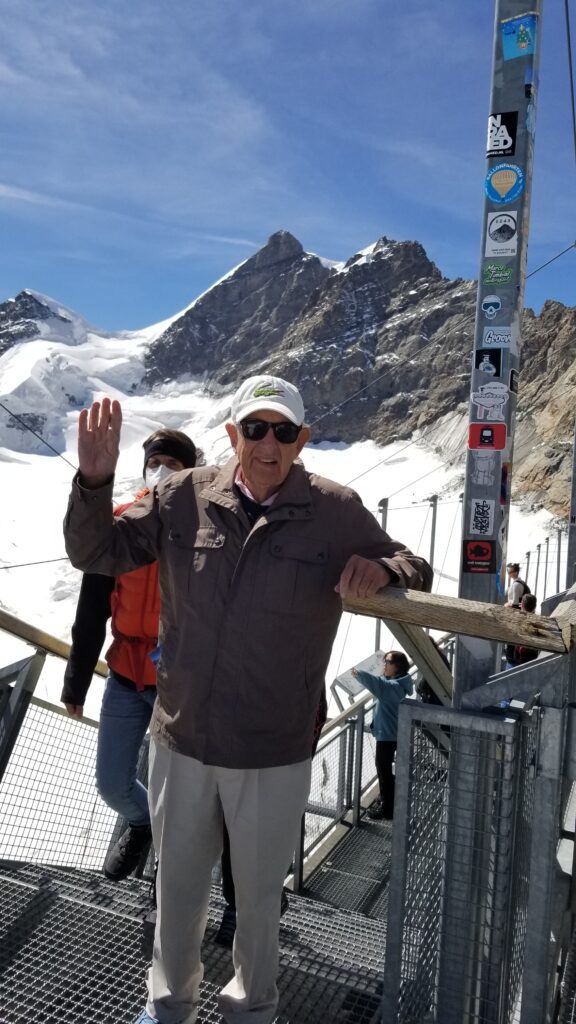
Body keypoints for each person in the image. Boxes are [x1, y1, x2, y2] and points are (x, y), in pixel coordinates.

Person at [63, 375, 432, 1024]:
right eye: (255, 429)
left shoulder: (336, 508)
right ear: (232, 436)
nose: (269, 443)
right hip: (182, 741)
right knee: (176, 892)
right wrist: (94, 483)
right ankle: (168, 1007)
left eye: (283, 431)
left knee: (258, 903)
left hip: (272, 751)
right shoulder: (180, 495)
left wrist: (386, 571)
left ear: (302, 440)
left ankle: (251, 1011)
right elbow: (99, 551)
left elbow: (411, 563)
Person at [61, 428, 198, 881]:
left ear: (190, 471)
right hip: (123, 676)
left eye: (172, 464)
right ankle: (143, 824)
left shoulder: (202, 532)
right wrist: (77, 681)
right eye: (154, 462)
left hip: (174, 684)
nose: (160, 471)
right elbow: (91, 611)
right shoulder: (120, 525)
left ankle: (170, 878)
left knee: (174, 788)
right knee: (113, 783)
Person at [352, 650, 412, 821]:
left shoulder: (392, 687)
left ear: (398, 667)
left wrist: (358, 673)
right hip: (392, 732)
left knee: (384, 771)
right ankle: (388, 800)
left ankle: (387, 809)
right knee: (385, 770)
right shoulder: (397, 684)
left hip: (387, 735)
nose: (384, 664)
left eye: (388, 662)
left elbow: (378, 685)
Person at [505, 592, 539, 669]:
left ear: (522, 604)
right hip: (530, 662)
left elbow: (505, 608)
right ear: (535, 606)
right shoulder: (538, 621)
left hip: (513, 661)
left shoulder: (514, 617)